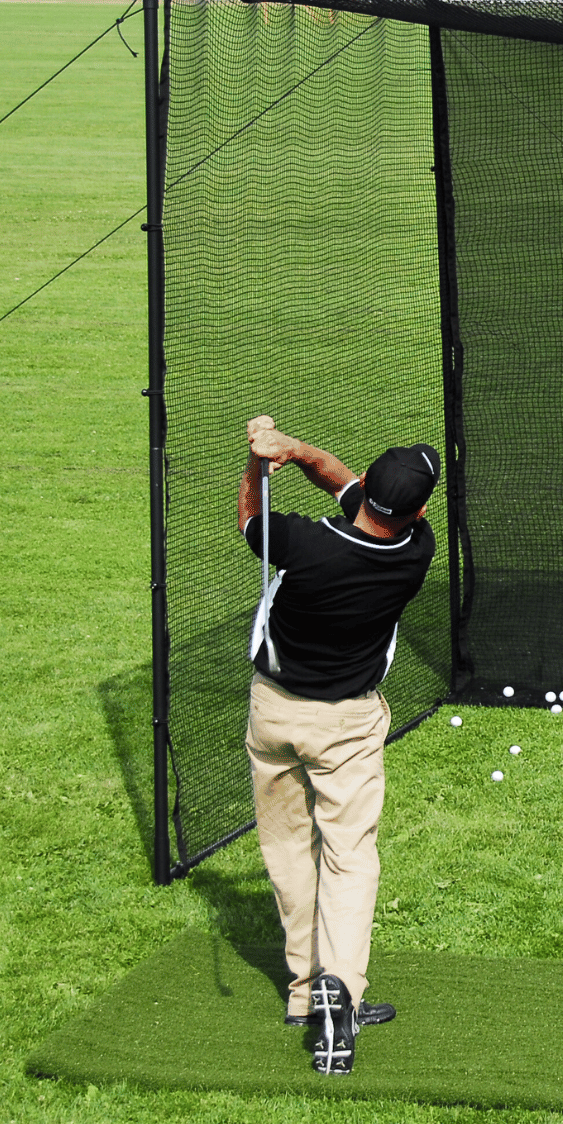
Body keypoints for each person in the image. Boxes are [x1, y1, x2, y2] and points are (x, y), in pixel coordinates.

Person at [238, 415, 438, 1074]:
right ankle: (339, 994)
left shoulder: (302, 544)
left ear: (367, 492)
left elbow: (249, 519)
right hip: (347, 726)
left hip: (274, 716)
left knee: (289, 851)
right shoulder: (416, 549)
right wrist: (294, 451)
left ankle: (305, 993)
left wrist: (262, 461)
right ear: (417, 511)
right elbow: (342, 483)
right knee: (348, 857)